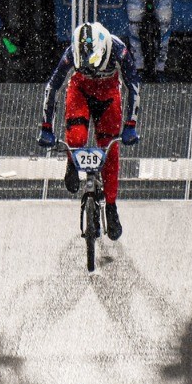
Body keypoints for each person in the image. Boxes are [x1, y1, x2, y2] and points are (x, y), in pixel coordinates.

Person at [38, 22, 141, 241]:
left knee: (110, 151)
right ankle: (71, 161)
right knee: (76, 137)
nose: (90, 70)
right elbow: (52, 86)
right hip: (80, 92)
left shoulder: (118, 48)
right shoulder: (70, 52)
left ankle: (111, 206)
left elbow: (134, 85)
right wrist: (46, 126)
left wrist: (131, 125)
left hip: (109, 96)